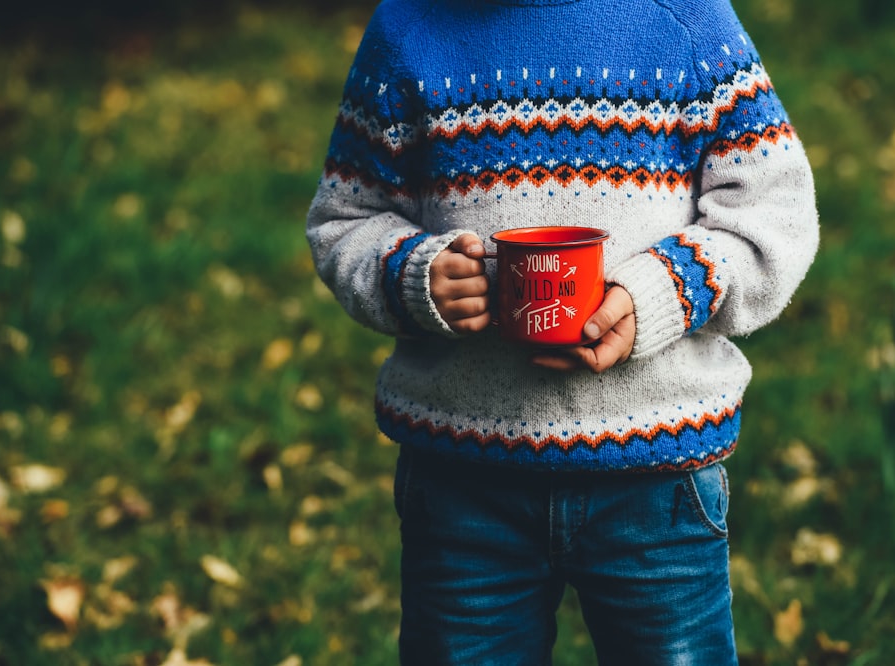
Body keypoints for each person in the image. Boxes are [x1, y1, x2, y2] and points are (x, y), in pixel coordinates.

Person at [307, 0, 818, 662]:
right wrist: (413, 276)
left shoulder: (688, 20)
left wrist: (664, 292)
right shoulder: (408, 29)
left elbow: (773, 209)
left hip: (657, 478)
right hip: (464, 485)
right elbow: (346, 216)